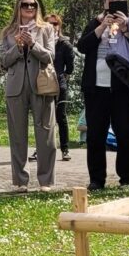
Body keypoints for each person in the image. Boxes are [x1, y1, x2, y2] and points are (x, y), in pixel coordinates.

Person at [78, 0, 129, 190]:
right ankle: (96, 180)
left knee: (125, 134)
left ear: (124, 2)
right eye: (109, 2)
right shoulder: (95, 22)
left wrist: (126, 29)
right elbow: (82, 47)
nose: (112, 5)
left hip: (122, 89)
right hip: (96, 88)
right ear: (104, 2)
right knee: (95, 136)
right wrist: (101, 27)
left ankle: (127, 179)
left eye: (117, 1)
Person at [0, 0, 58, 191]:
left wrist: (32, 44)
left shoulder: (47, 29)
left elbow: (50, 57)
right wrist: (17, 46)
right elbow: (3, 62)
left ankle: (46, 180)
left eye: (33, 5)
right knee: (17, 136)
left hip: (42, 85)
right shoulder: (8, 32)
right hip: (16, 87)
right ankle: (20, 181)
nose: (30, 8)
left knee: (46, 135)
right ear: (18, 7)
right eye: (25, 5)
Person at [48, 13, 76, 160]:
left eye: (55, 23)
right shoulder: (40, 42)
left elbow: (70, 68)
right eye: (49, 23)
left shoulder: (65, 45)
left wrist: (62, 76)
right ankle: (42, 149)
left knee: (61, 117)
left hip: (59, 84)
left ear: (59, 26)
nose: (52, 26)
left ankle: (65, 149)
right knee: (44, 118)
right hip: (43, 85)